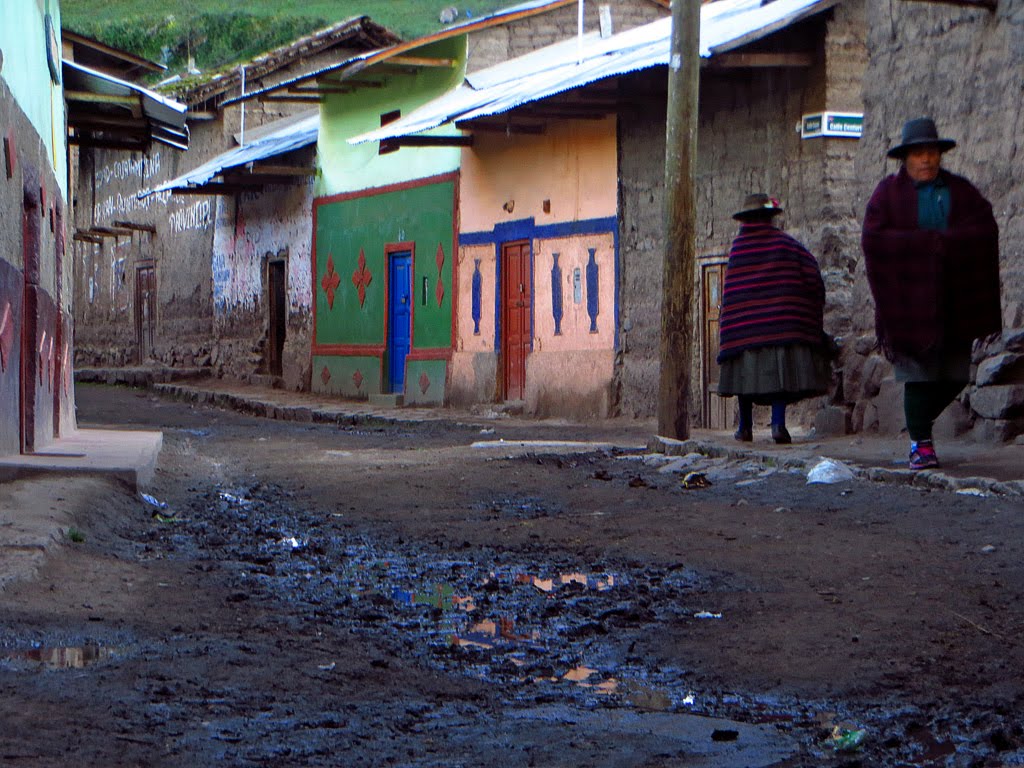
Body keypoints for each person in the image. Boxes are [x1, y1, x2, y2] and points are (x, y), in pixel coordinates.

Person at [862, 117, 1001, 470]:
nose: (926, 160)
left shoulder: (960, 190)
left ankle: (919, 424)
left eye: (932, 153)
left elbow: (984, 227)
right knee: (918, 374)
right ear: (905, 158)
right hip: (907, 302)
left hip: (953, 300)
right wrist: (924, 245)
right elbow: (874, 240)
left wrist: (948, 244)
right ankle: (920, 443)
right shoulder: (888, 195)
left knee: (956, 375)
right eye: (919, 154)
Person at [717, 193, 831, 444]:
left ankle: (744, 428)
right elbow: (812, 274)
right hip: (779, 325)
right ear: (770, 218)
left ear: (745, 220)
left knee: (744, 380)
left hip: (744, 329)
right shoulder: (786, 244)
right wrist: (806, 306)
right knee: (779, 380)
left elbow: (733, 291)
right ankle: (778, 425)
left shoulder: (738, 248)